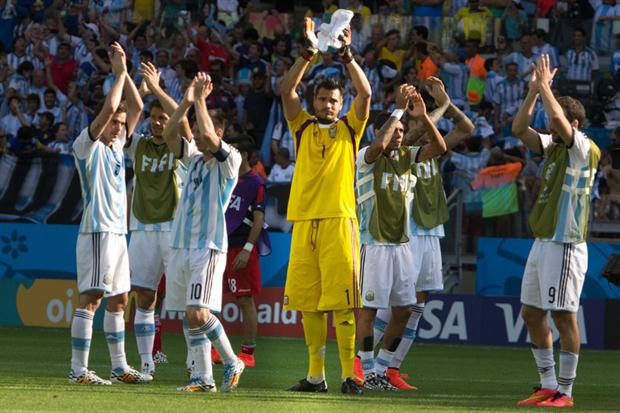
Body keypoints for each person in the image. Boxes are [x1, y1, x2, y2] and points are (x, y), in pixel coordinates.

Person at [281, 18, 371, 395]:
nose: (328, 104)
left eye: (334, 100)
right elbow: (286, 90)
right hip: (304, 221)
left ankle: (350, 376)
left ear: (341, 104)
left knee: (343, 305)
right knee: (309, 305)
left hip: (339, 221)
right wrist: (309, 53)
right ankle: (316, 377)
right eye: (322, 99)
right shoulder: (301, 126)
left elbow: (365, 95)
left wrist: (347, 56)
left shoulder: (351, 128)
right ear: (315, 101)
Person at [367, 78, 474, 390]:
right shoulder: (404, 147)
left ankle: (391, 368)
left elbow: (465, 127)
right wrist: (430, 110)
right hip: (408, 231)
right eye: (411, 116)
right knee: (396, 303)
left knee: (417, 304)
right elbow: (413, 131)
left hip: (431, 229)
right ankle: (362, 364)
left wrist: (446, 102)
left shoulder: (430, 146)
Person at [511, 54, 601, 408]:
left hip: (565, 243)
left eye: (553, 121)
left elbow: (560, 122)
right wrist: (534, 93)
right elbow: (519, 130)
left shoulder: (582, 147)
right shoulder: (554, 147)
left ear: (573, 123)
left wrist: (546, 86)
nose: (548, 128)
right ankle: (547, 384)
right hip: (543, 241)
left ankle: (566, 391)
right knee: (531, 313)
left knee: (563, 316)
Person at [355, 83, 446, 391]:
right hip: (375, 243)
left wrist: (423, 116)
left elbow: (440, 148)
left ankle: (381, 368)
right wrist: (397, 108)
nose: (399, 134)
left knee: (405, 310)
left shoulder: (407, 157)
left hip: (402, 246)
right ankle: (365, 370)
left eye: (401, 130)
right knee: (368, 309)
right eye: (394, 129)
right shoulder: (365, 158)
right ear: (380, 131)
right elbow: (379, 147)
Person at [69, 42, 148, 385]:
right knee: (93, 298)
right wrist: (118, 72)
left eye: (120, 124)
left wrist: (126, 73)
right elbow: (113, 104)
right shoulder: (85, 146)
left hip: (118, 233)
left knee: (119, 301)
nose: (118, 127)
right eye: (113, 123)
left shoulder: (117, 146)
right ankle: (78, 370)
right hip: (98, 230)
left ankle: (119, 366)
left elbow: (137, 105)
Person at [163, 72, 244, 393]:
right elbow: (171, 132)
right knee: (189, 315)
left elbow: (210, 137)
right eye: (194, 131)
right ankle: (202, 378)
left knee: (198, 312)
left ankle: (232, 360)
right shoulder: (193, 160)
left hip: (207, 246)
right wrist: (186, 99)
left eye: (200, 129)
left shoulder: (230, 161)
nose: (195, 135)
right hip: (180, 245)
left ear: (220, 132)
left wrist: (200, 99)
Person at [125, 61, 192, 379]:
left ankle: (196, 362)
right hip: (142, 228)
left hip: (173, 230)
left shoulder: (179, 147)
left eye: (163, 119)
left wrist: (156, 89)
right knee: (144, 298)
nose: (156, 123)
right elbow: (124, 119)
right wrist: (140, 90)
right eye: (153, 118)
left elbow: (183, 118)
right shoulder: (137, 145)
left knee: (187, 300)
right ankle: (147, 363)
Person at [223, 136, 271, 368]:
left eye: (232, 151)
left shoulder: (256, 182)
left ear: (242, 154)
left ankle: (248, 353)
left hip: (241, 247)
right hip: (219, 246)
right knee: (212, 300)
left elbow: (259, 219)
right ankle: (216, 349)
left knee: (244, 300)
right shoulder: (225, 177)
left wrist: (247, 249)